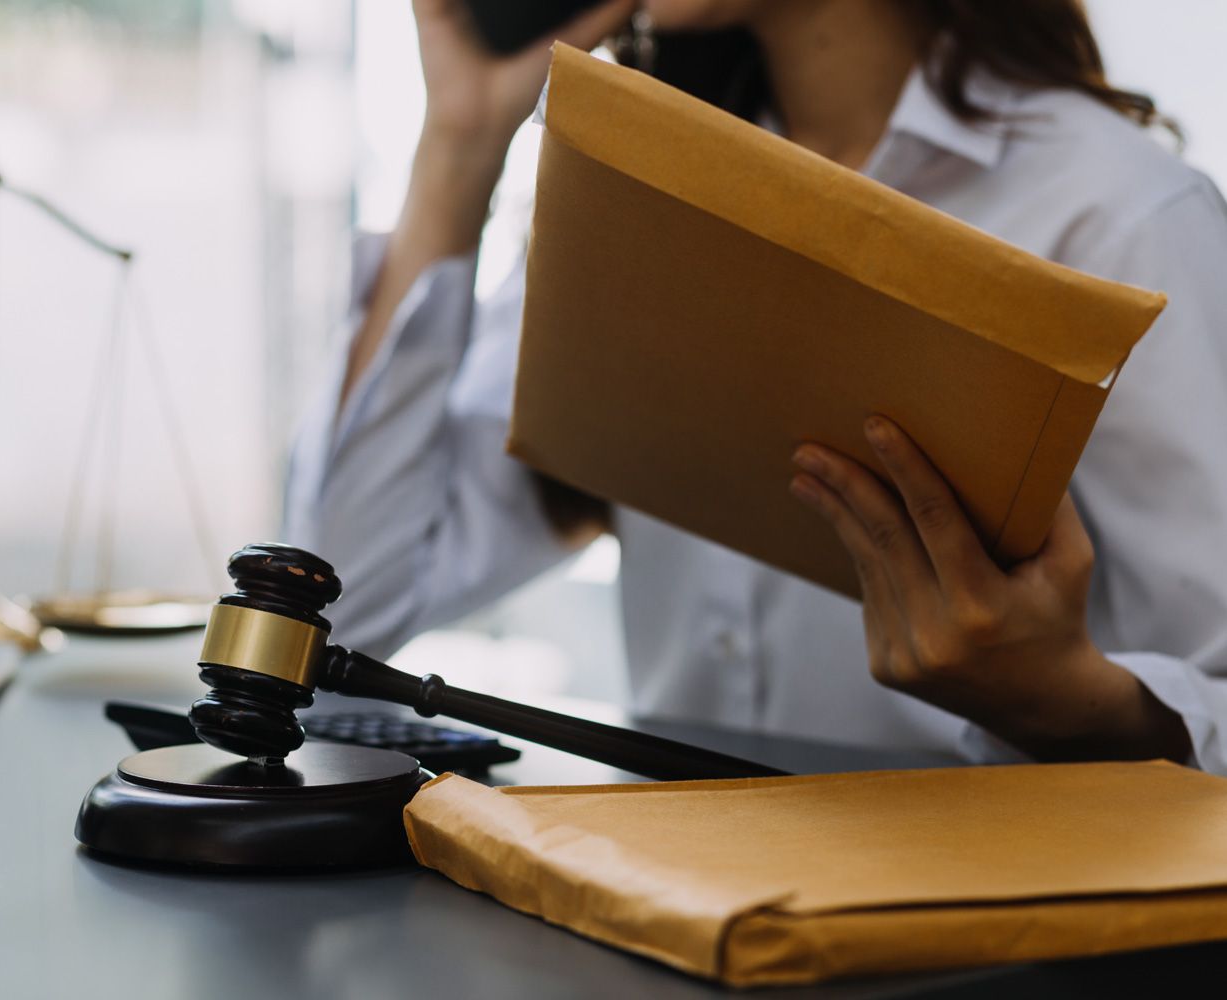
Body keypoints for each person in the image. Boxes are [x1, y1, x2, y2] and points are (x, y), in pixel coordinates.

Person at [284, 0, 1227, 773]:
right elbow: (336, 619)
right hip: (670, 911)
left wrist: (1069, 703)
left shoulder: (1119, 211)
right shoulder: (634, 183)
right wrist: (457, 144)